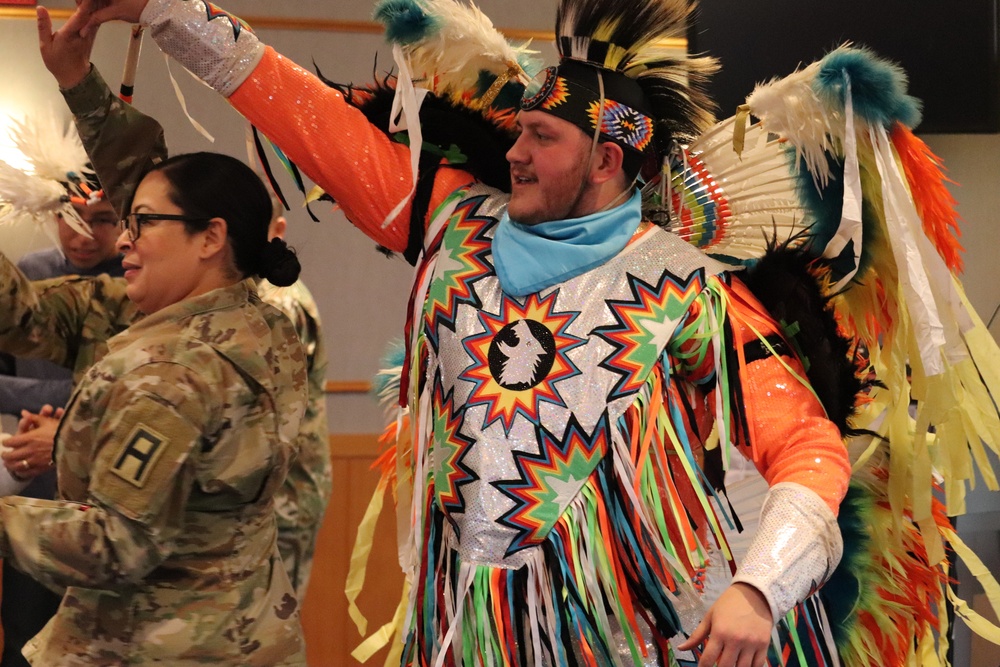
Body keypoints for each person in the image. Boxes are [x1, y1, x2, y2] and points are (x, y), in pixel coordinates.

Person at [49, 0, 1000, 665]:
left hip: (639, 627)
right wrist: (172, 13)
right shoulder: (452, 227)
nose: (514, 149)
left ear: (610, 152)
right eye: (518, 133)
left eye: (544, 137)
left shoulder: (685, 293)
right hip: (473, 625)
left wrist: (758, 588)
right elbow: (310, 124)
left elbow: (807, 450)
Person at [0, 151, 309, 665]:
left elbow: (116, 543)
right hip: (246, 632)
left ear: (211, 237)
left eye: (143, 222)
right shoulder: (262, 324)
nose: (123, 239)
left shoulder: (170, 371)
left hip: (154, 644)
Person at [0, 119, 125, 667]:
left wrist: (61, 419)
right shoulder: (28, 278)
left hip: (115, 501)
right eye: (71, 217)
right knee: (26, 635)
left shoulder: (138, 282)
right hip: (31, 488)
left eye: (101, 219)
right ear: (52, 214)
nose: (83, 234)